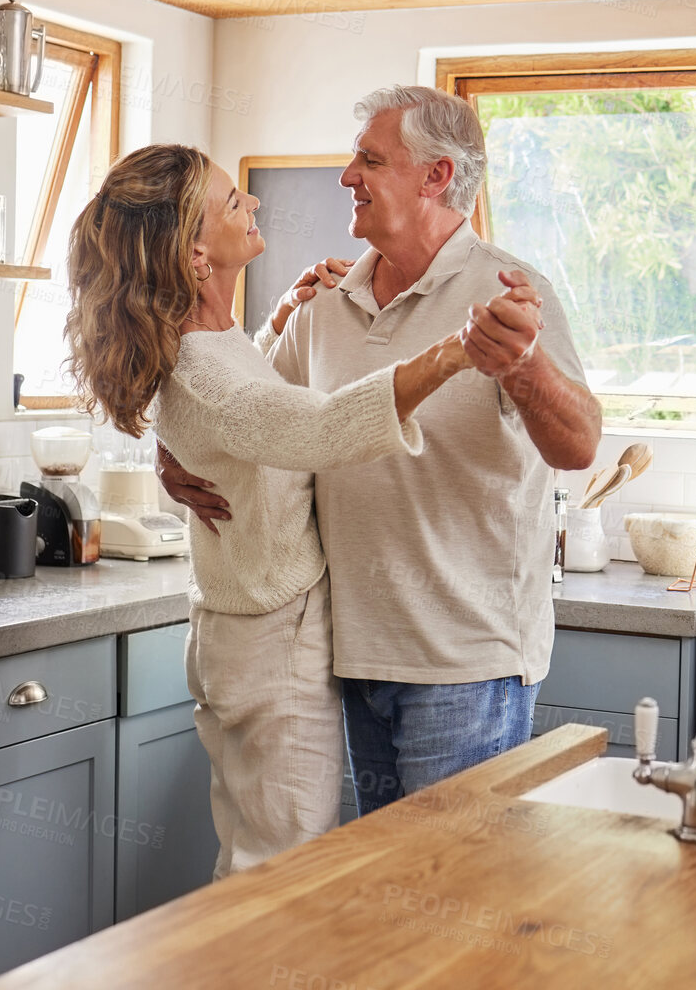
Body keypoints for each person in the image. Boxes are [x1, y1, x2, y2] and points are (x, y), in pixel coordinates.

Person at [64, 143, 535, 876]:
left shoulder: (214, 341)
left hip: (248, 629)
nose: (251, 204)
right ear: (194, 257)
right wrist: (452, 353)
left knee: (265, 854)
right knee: (279, 869)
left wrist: (280, 318)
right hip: (270, 642)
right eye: (230, 203)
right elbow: (311, 428)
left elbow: (242, 404)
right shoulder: (207, 371)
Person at [160, 86, 602, 815]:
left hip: (466, 664)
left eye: (368, 159)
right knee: (387, 907)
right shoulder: (325, 303)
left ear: (433, 176)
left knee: (452, 899)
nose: (346, 177)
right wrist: (174, 456)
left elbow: (578, 445)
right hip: (349, 653)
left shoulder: (508, 292)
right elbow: (256, 427)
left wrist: (523, 366)